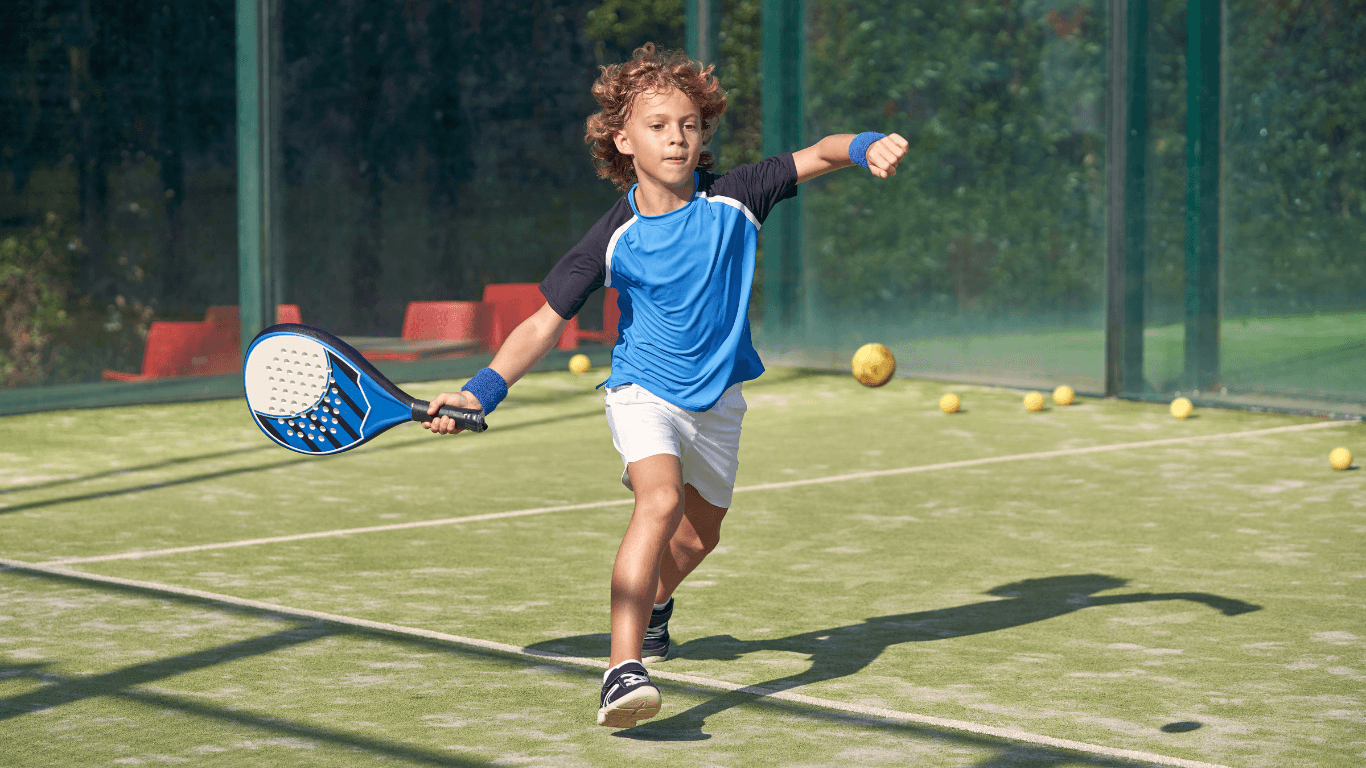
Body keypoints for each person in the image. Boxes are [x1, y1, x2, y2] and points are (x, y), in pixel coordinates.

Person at [421, 43, 907, 729]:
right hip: (644, 391)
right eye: (657, 125)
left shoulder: (738, 199)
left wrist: (865, 146)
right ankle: (623, 671)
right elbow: (541, 323)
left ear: (702, 133)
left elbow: (821, 153)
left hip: (720, 400)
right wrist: (481, 392)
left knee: (698, 538)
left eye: (687, 124)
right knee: (657, 501)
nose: (676, 137)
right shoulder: (610, 240)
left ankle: (652, 607)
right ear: (624, 140)